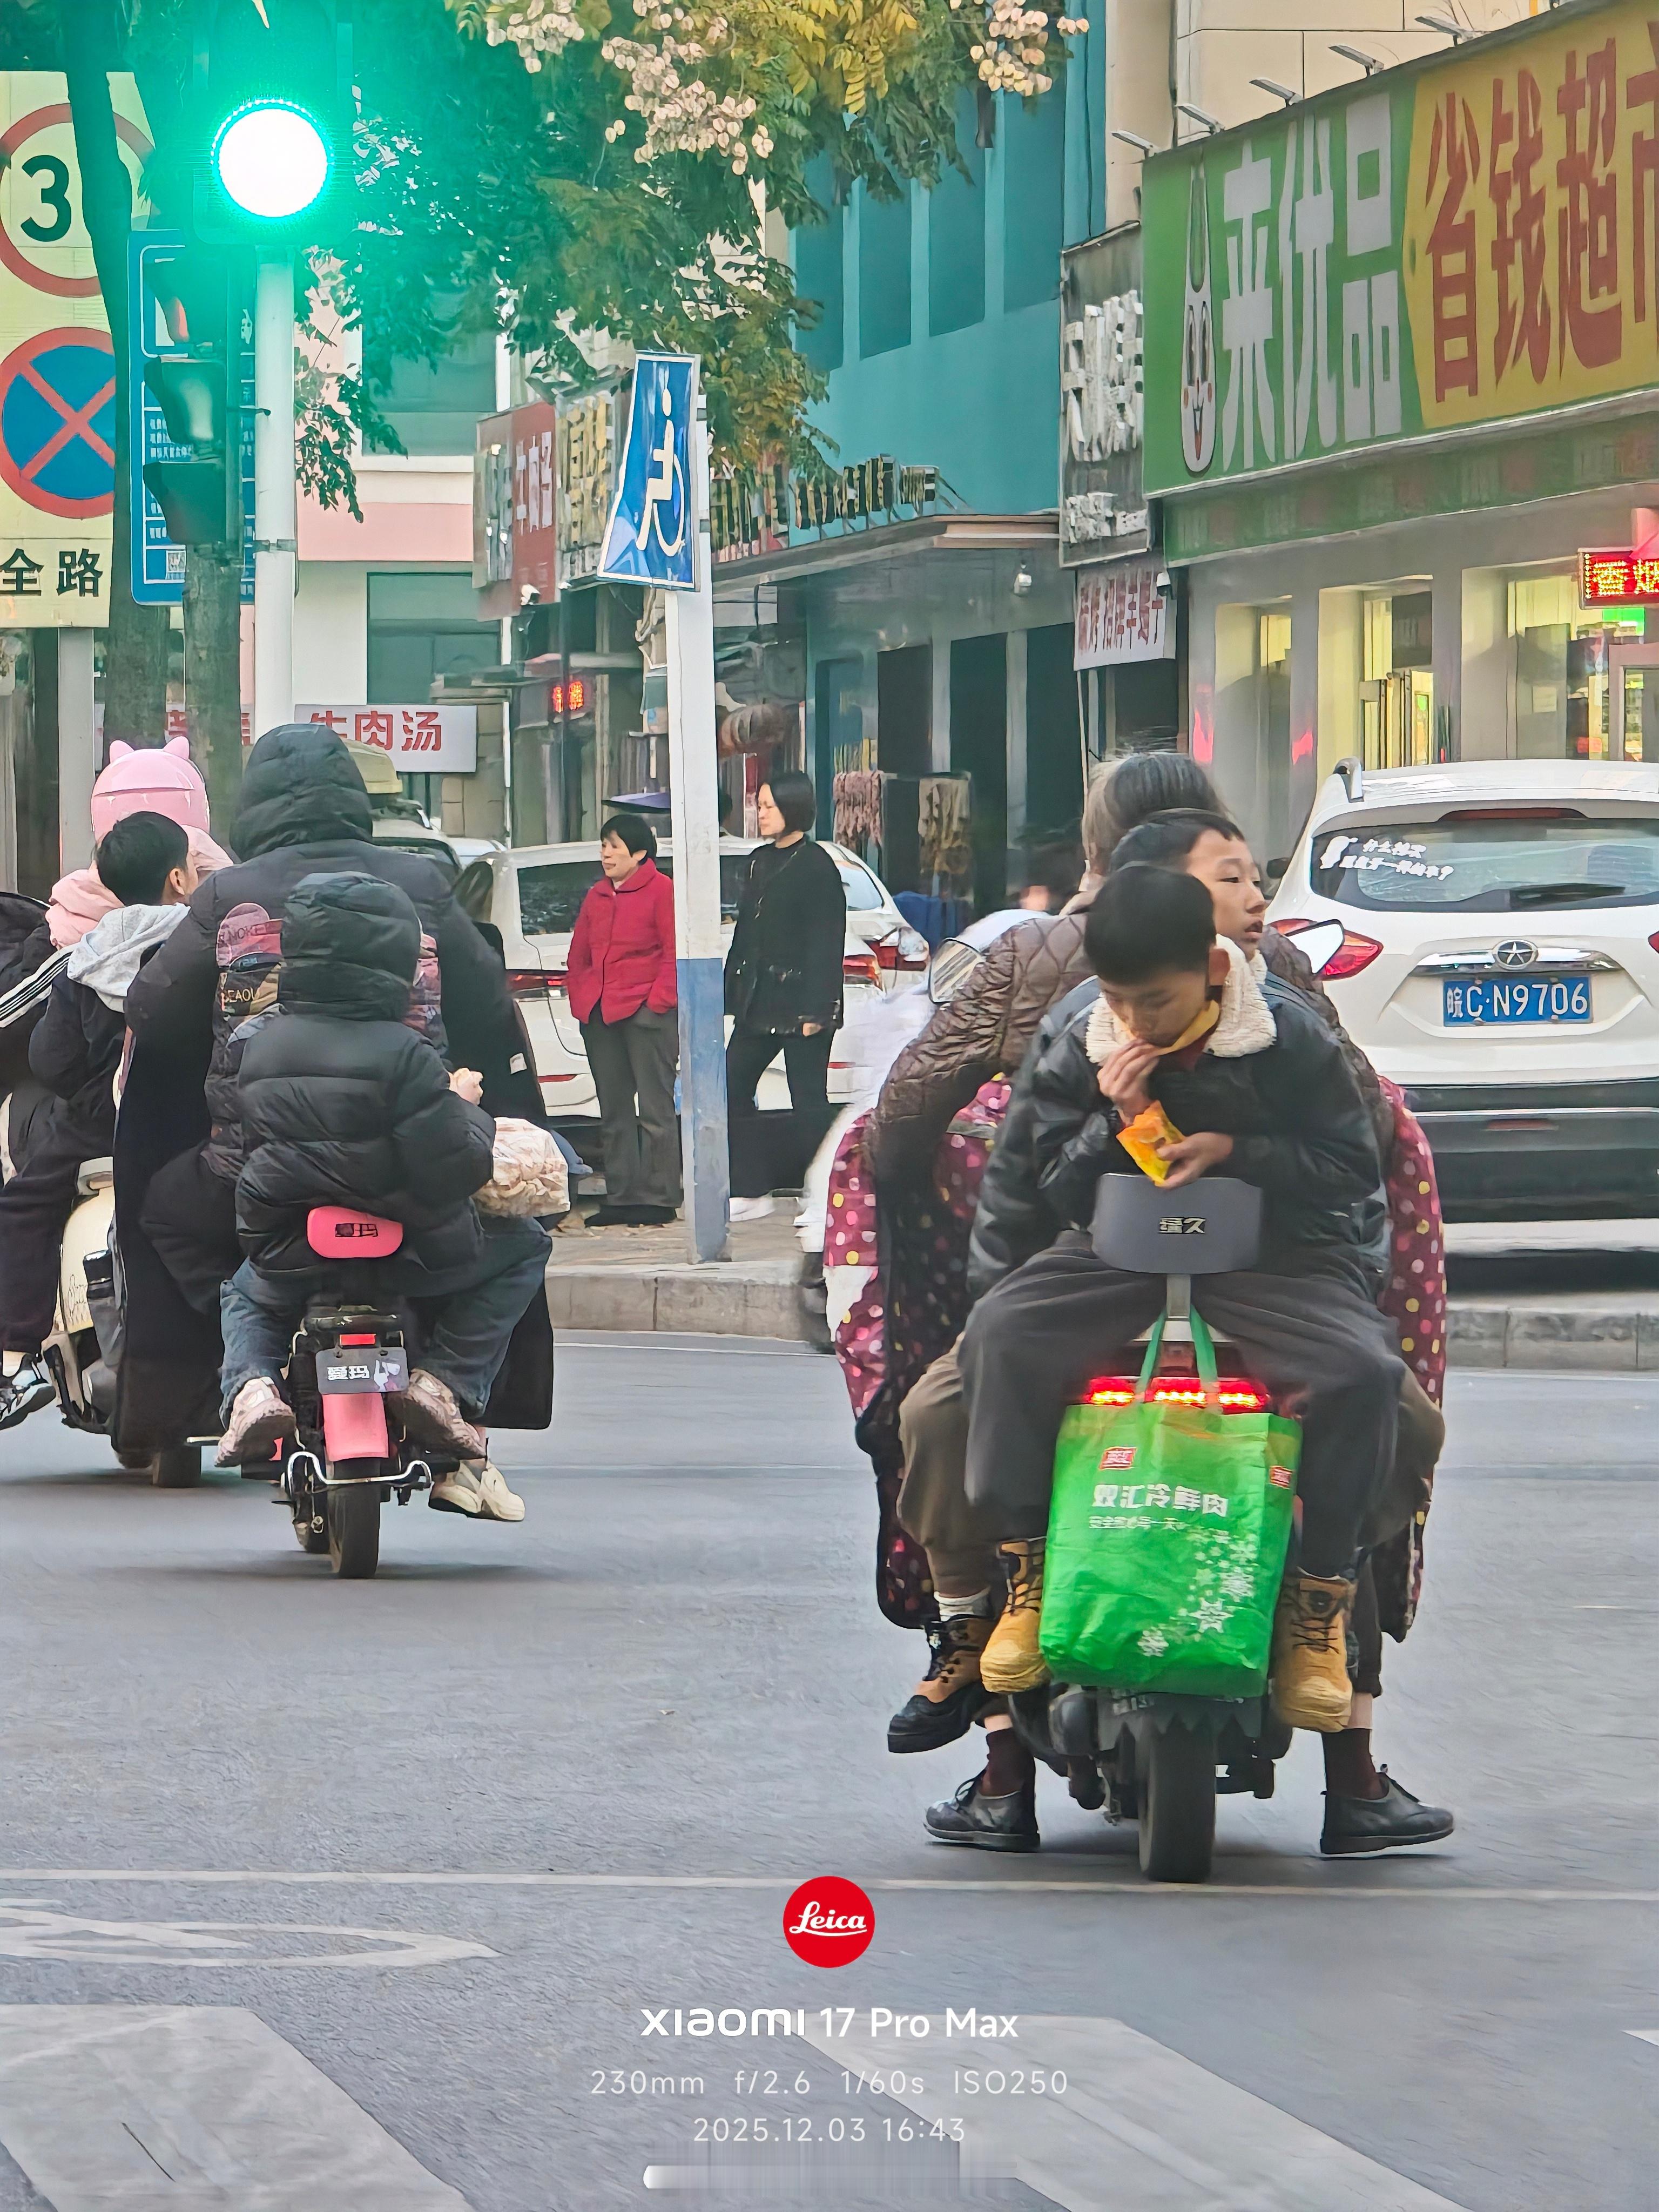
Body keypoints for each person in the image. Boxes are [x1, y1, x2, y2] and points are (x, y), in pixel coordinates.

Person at [960, 866, 1402, 1735]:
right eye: (1120, 1001)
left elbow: (1352, 1171)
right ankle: (1031, 1574)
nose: (1136, 1022)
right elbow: (1045, 1185)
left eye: (1154, 1002)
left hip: (1273, 1262)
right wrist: (1115, 1120)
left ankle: (1320, 1605)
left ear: (1210, 965)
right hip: (1112, 1256)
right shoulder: (1082, 1040)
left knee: (1361, 1373)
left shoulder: (1288, 1038)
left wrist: (1237, 1148)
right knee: (1002, 1338)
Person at [120, 721, 547, 1452]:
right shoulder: (417, 883)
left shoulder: (228, 896)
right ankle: (445, 1378)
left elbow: (153, 1011)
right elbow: (485, 1005)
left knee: (170, 1210)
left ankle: (237, 1365)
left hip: (259, 1168)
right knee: (511, 1235)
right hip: (412, 1165)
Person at [215, 871, 549, 1528]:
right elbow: (455, 1163)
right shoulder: (409, 1053)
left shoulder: (259, 1045)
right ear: (399, 961)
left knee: (244, 1293)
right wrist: (465, 1107)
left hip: (291, 1246)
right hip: (414, 1251)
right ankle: (444, 1383)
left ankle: (251, 1389)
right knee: (526, 1246)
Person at [0, 812, 199, 1426]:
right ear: (180, 878)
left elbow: (51, 1058)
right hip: (197, 1120)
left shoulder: (90, 952)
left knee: (24, 1204)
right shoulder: (211, 942)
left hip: (99, 1125)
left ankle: (14, 1360)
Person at [724, 770, 846, 1222]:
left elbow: (826, 941)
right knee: (731, 1086)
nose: (762, 813)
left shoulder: (817, 865)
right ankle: (750, 1187)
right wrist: (730, 991)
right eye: (760, 805)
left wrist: (820, 1007)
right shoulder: (757, 861)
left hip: (803, 1003)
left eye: (770, 806)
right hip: (758, 1001)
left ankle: (823, 1195)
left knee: (808, 1100)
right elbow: (745, 933)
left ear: (794, 808)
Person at [567, 812, 679, 1228]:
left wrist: (658, 1004)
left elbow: (673, 953)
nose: (606, 852)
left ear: (639, 853)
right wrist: (582, 1001)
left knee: (655, 1109)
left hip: (647, 1014)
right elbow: (579, 955)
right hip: (601, 1015)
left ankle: (659, 1195)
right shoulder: (597, 895)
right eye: (604, 845)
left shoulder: (661, 891)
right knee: (613, 1110)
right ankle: (621, 1194)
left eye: (614, 845)